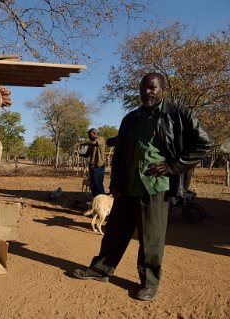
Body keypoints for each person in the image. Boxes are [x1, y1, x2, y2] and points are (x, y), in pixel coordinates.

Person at [72, 72, 214, 301]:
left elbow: (205, 143)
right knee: (115, 232)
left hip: (155, 187)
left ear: (162, 89)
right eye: (143, 88)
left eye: (152, 88)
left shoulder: (178, 115)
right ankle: (101, 270)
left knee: (150, 239)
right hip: (128, 185)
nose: (146, 92)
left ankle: (149, 283)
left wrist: (172, 166)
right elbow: (119, 154)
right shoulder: (131, 118)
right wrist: (115, 182)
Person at [79, 128, 106, 196]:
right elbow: (86, 155)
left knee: (99, 185)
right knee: (93, 186)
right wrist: (79, 154)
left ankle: (102, 202)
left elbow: (94, 143)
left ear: (94, 133)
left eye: (89, 135)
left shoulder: (101, 139)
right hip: (92, 167)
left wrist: (84, 143)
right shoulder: (90, 145)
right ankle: (95, 200)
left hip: (99, 166)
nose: (88, 137)